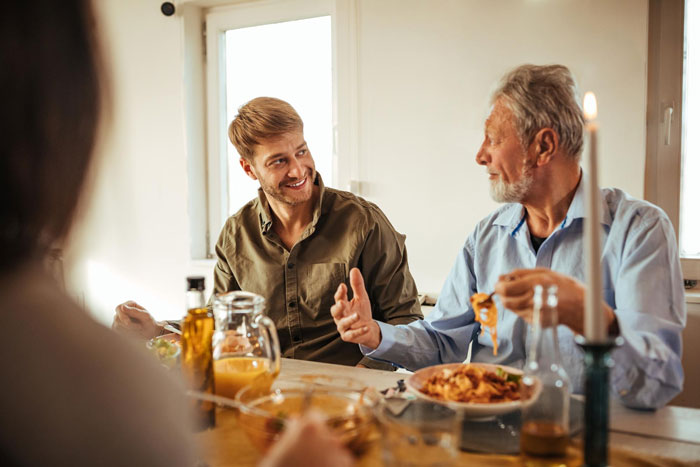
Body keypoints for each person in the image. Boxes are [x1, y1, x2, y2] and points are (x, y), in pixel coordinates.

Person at [332, 64, 686, 409]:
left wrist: (589, 316)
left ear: (544, 146)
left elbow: (656, 385)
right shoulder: (486, 236)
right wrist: (374, 333)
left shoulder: (639, 230)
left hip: (593, 436)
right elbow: (443, 342)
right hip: (487, 428)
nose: (480, 155)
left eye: (494, 138)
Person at [113, 97, 423, 368]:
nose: (298, 170)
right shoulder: (236, 234)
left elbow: (406, 320)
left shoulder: (364, 222)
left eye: (301, 152)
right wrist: (157, 330)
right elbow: (221, 322)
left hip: (351, 388)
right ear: (249, 169)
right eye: (279, 161)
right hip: (261, 387)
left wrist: (363, 374)